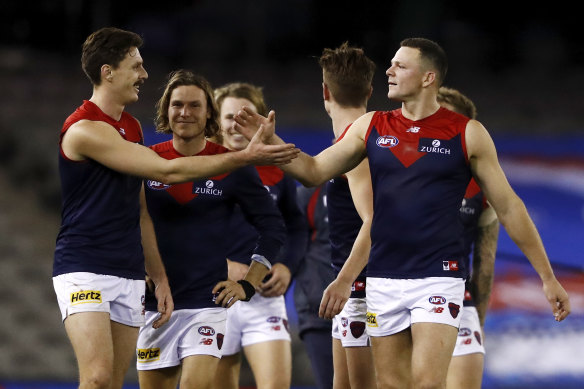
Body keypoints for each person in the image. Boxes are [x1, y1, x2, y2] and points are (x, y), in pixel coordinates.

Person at [231, 37, 571, 389]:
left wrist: (547, 277)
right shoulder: (371, 127)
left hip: (438, 276)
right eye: (391, 64)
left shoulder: (468, 133)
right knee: (392, 385)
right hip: (383, 278)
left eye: (400, 66)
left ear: (428, 78)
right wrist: (272, 143)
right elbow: (314, 170)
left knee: (427, 383)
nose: (389, 71)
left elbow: (510, 207)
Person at [52, 27, 297, 389]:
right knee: (98, 379)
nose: (143, 74)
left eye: (195, 104)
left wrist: (161, 276)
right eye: (135, 66)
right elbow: (168, 170)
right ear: (108, 72)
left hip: (140, 278)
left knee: (113, 382)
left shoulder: (131, 128)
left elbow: (140, 213)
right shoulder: (85, 129)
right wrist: (243, 157)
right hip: (86, 265)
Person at [134, 70, 288, 389]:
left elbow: (273, 226)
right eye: (177, 105)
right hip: (154, 304)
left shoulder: (231, 164)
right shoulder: (145, 161)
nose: (185, 113)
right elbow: (126, 221)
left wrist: (248, 283)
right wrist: (135, 266)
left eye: (195, 105)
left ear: (209, 114)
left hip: (206, 305)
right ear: (165, 111)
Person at [212, 82, 308, 389]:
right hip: (214, 296)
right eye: (229, 116)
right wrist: (222, 265)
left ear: (261, 121)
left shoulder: (277, 170)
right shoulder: (201, 167)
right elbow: (182, 230)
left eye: (245, 115)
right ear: (216, 121)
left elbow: (295, 225)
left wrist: (287, 266)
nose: (236, 124)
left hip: (264, 298)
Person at [314, 42, 377, 389]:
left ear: (324, 91)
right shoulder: (347, 144)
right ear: (369, 90)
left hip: (364, 288)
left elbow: (374, 219)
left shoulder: (358, 148)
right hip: (352, 288)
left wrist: (345, 281)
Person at [437, 86, 500, 389]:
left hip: (408, 302)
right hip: (455, 305)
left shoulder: (393, 167)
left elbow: (485, 266)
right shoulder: (482, 185)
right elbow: (484, 265)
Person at [294, 183, 335, 389]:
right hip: (318, 312)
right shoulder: (310, 193)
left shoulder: (381, 187)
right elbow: (292, 243)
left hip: (373, 308)